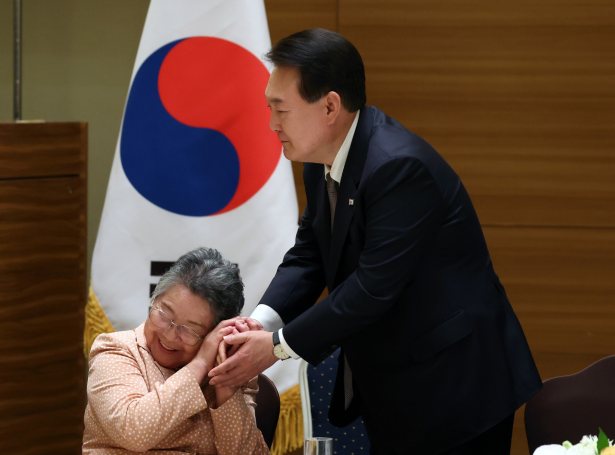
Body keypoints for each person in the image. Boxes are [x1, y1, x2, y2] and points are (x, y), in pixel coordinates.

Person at [208, 29, 542, 455]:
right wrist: (260, 323)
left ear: (330, 106)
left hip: (456, 384)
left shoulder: (397, 168)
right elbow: (310, 255)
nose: (272, 123)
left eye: (281, 109)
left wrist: (277, 347)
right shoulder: (320, 157)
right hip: (397, 383)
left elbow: (372, 288)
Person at [82, 247, 269, 455]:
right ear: (154, 299)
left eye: (190, 330)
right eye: (164, 315)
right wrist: (199, 363)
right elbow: (132, 432)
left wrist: (226, 384)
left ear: (215, 334)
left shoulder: (231, 368)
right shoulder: (115, 349)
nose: (170, 336)